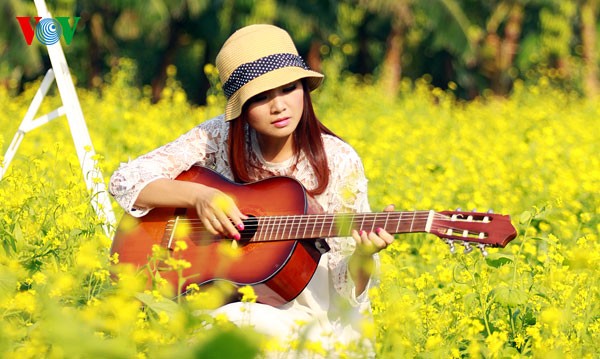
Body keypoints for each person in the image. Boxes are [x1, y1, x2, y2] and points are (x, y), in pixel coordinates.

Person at [109, 24, 394, 355]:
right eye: (260, 97)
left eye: (288, 88)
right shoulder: (219, 137)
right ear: (241, 107)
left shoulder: (339, 159)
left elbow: (345, 287)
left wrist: (363, 254)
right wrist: (200, 196)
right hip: (230, 295)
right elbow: (126, 180)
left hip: (316, 309)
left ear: (304, 87)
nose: (279, 107)